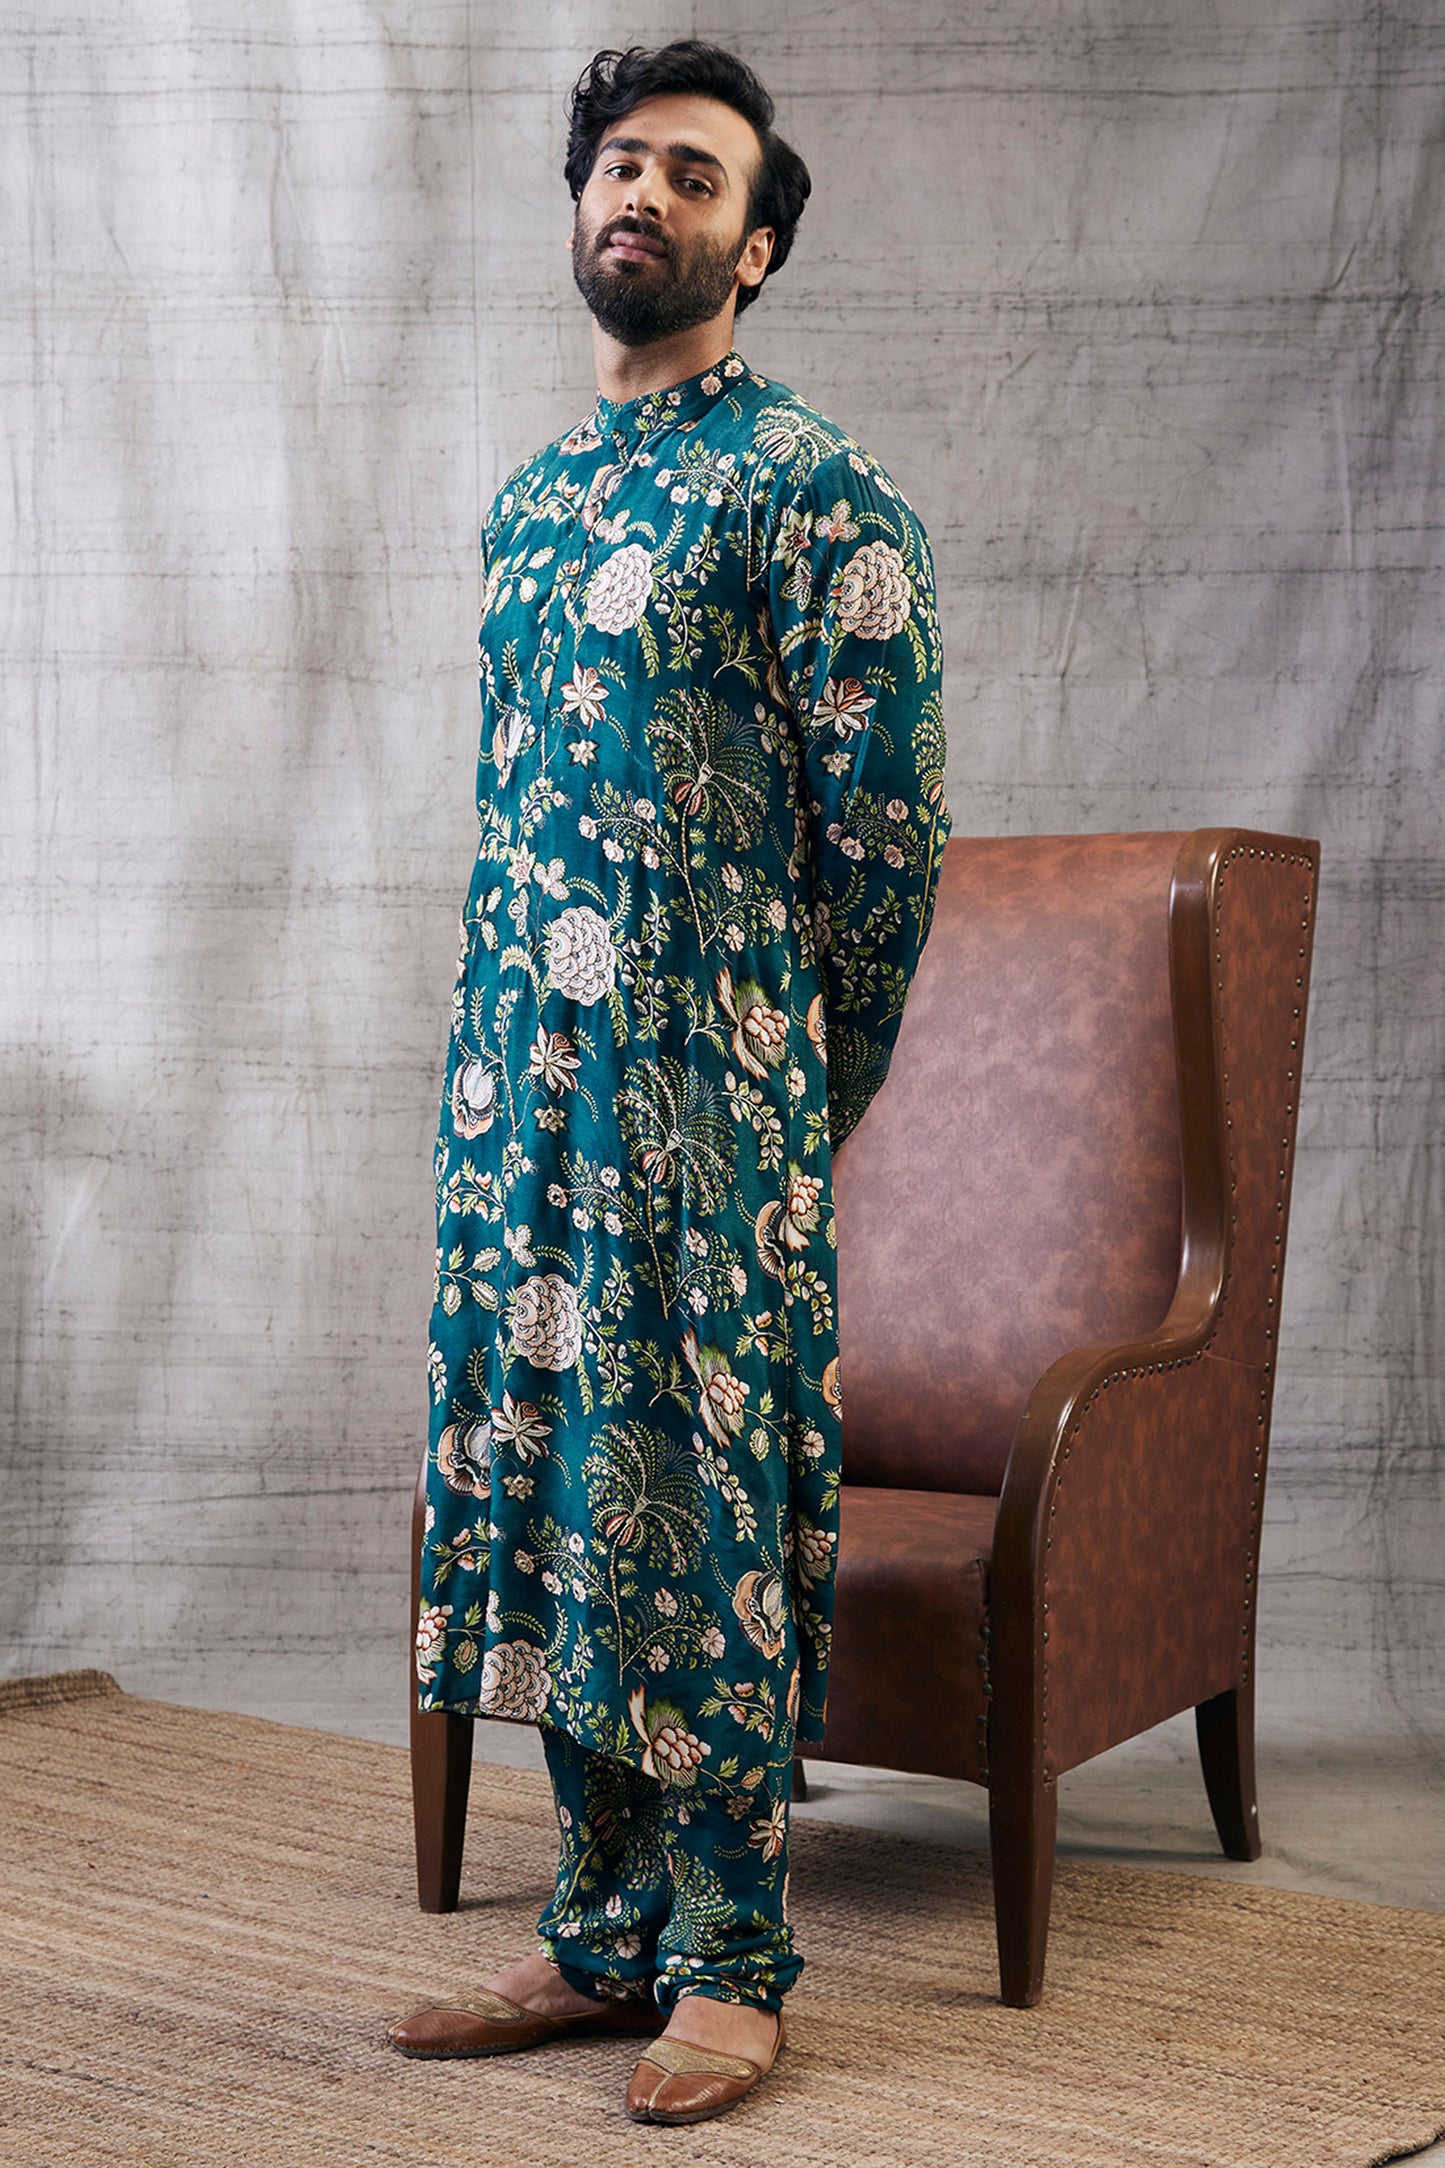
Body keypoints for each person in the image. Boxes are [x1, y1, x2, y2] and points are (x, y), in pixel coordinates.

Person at [389, 39, 950, 2125]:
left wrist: (777, 1086)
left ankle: (730, 1962)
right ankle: (600, 1927)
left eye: (693, 176)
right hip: (514, 1110)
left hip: (710, 1112)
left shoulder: (814, 490)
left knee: (698, 1500)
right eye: (620, 164)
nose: (643, 194)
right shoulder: (533, 508)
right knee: (556, 1487)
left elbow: (884, 846)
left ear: (758, 244)